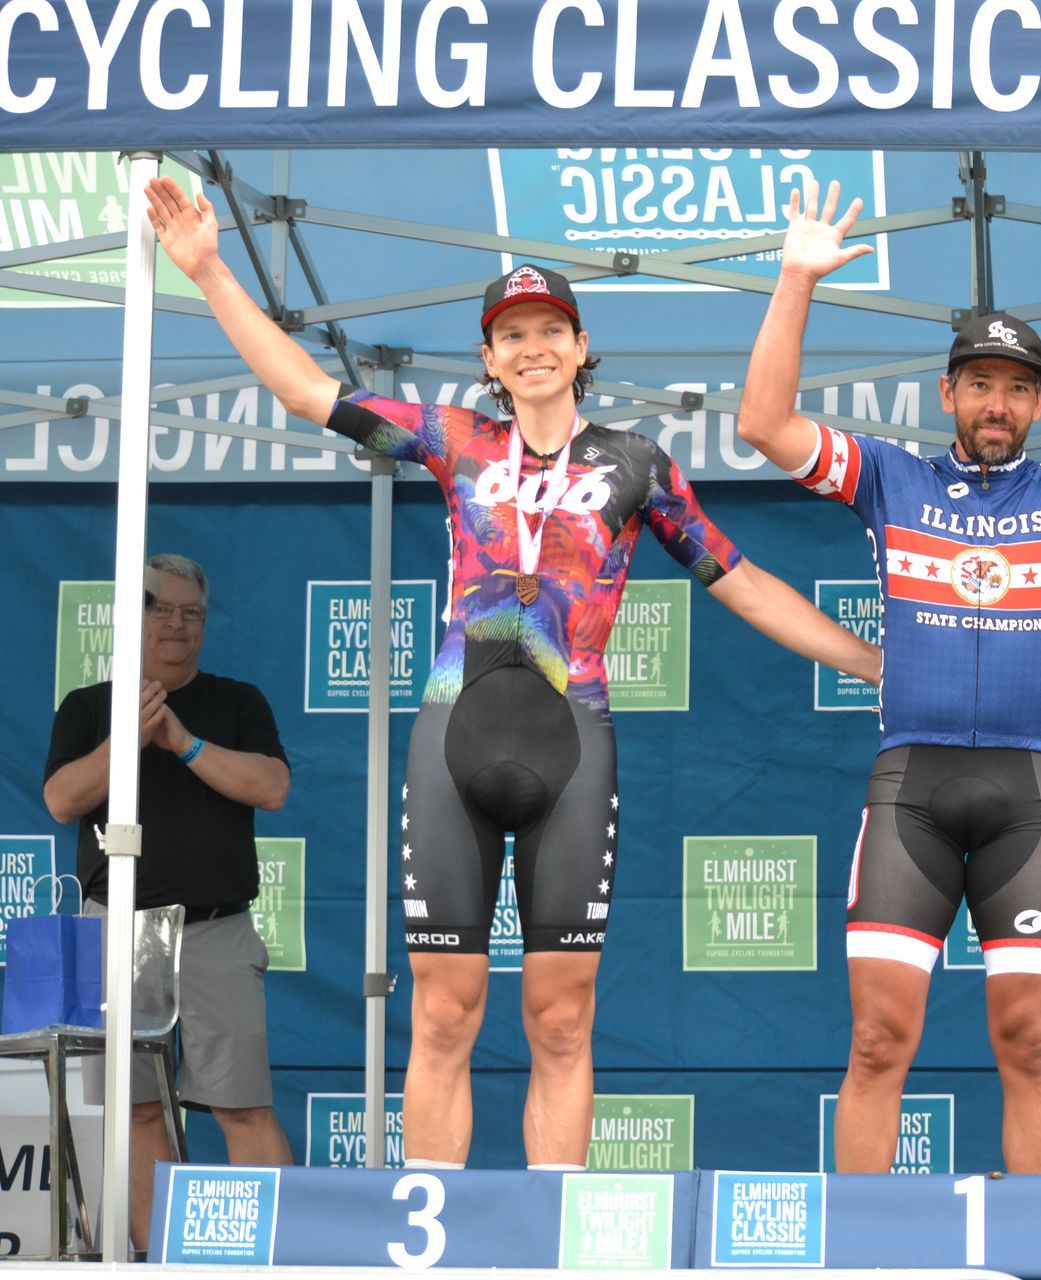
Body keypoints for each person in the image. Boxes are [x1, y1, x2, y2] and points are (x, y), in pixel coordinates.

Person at [141, 176, 880, 1170]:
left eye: (551, 330)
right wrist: (210, 269)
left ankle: (562, 1233)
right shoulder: (454, 440)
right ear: (489, 359)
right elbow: (303, 391)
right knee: (444, 1012)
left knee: (561, 1017)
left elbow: (739, 582)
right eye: (513, 334)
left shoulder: (637, 464)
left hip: (571, 749)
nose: (534, 348)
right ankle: (431, 1230)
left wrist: (868, 657)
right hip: (453, 743)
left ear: (580, 348)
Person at [739, 183, 1041, 1172]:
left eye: (1016, 387)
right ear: (947, 392)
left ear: (1040, 400)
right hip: (911, 789)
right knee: (877, 1043)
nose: (996, 403)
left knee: (1032, 1044)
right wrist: (794, 278)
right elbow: (762, 422)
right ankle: (859, 1248)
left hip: (1026, 798)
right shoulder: (891, 477)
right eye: (979, 383)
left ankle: (1038, 1248)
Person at [43, 554, 294, 1251]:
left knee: (243, 1108)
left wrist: (183, 744)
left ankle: (277, 1257)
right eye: (164, 610)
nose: (179, 626)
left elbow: (272, 787)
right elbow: (62, 799)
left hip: (217, 930)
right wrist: (128, 739)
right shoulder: (90, 706)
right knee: (137, 1110)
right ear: (135, 617)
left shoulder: (237, 701)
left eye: (192, 614)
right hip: (117, 932)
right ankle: (163, 1257)